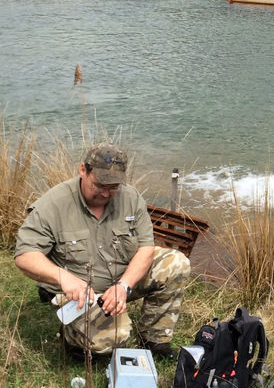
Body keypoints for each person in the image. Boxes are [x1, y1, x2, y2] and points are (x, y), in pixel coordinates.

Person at [14, 142, 191, 359]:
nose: (106, 194)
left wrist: (123, 286)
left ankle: (154, 339)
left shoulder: (131, 198)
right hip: (80, 293)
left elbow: (146, 248)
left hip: (119, 282)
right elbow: (25, 256)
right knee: (114, 338)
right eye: (99, 185)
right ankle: (72, 338)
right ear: (83, 170)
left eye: (113, 187)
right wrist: (63, 277)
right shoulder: (53, 204)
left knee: (176, 263)